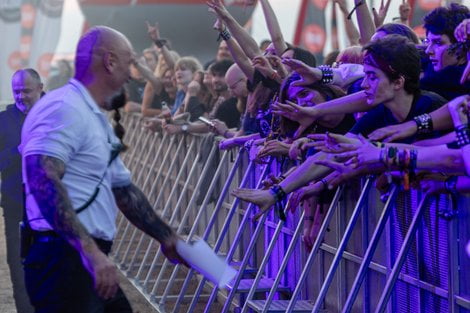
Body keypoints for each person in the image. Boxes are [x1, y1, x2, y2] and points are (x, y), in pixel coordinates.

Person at [19, 26, 183, 313]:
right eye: (129, 62)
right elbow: (41, 177)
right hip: (64, 261)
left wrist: (165, 235)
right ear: (109, 61)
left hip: (77, 261)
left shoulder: (91, 115)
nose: (132, 74)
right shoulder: (64, 108)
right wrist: (91, 253)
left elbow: (122, 189)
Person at [0, 68, 42, 313]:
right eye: (16, 91)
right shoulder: (4, 120)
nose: (21, 96)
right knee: (18, 265)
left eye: (26, 90)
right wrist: (18, 150)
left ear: (40, 87)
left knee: (51, 263)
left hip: (53, 205)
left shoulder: (55, 114)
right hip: (16, 203)